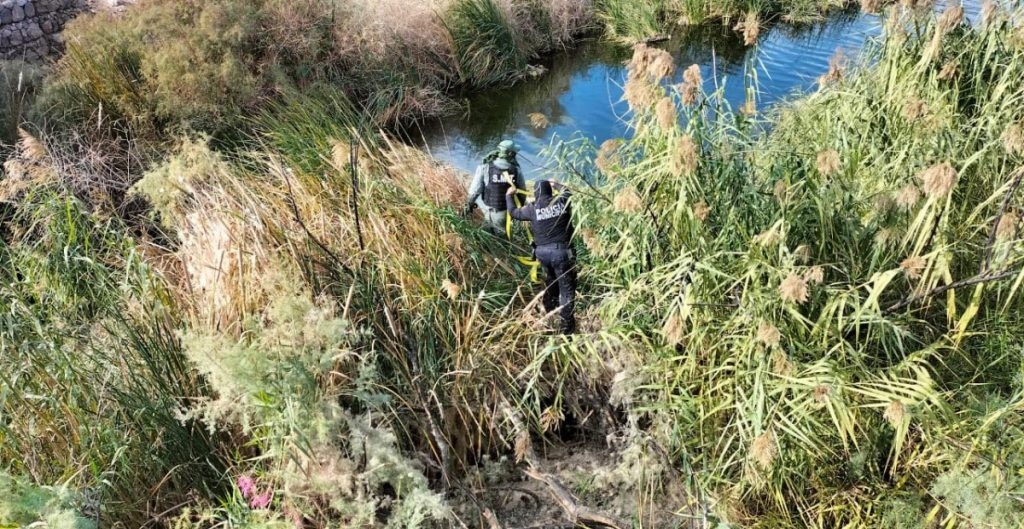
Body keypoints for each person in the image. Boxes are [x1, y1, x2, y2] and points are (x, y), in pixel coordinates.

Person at [506, 179, 577, 334]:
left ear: (536, 193)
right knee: (566, 290)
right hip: (561, 253)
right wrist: (556, 183)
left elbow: (513, 213)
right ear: (549, 192)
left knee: (551, 282)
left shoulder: (532, 208)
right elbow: (568, 191)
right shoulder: (561, 201)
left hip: (543, 255)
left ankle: (548, 311)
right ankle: (566, 327)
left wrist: (508, 196)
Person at [465, 140, 526, 235]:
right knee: (501, 241)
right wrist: (518, 210)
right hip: (504, 213)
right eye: (514, 152)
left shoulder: (485, 167)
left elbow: (474, 191)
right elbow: (522, 194)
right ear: (510, 153)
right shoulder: (516, 170)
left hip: (485, 210)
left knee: (485, 237)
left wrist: (468, 206)